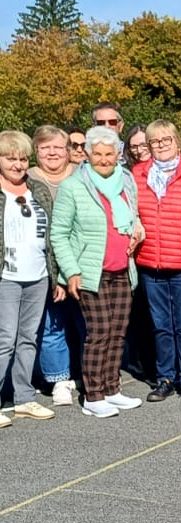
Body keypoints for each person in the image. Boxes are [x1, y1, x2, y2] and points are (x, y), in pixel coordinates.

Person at [49, 126, 145, 418]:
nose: (104, 159)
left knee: (118, 332)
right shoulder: (73, 186)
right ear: (87, 155)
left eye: (109, 154)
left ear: (118, 154)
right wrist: (71, 271)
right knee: (99, 332)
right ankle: (93, 395)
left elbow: (133, 216)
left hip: (122, 268)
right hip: (91, 271)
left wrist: (137, 230)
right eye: (98, 154)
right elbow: (59, 233)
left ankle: (112, 388)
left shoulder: (126, 180)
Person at [132, 120, 181, 404]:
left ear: (178, 142)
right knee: (161, 324)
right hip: (150, 262)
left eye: (166, 140)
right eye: (155, 141)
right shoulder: (137, 175)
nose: (161, 145)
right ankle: (165, 377)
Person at [0, 130, 58, 426]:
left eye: (23, 158)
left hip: (38, 275)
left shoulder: (38, 188)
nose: (18, 164)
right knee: (4, 339)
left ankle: (23, 397)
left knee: (28, 338)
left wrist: (56, 276)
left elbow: (52, 234)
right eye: (11, 158)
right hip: (6, 276)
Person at [29, 125, 81, 406]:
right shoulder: (26, 180)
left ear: (68, 151)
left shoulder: (83, 177)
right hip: (44, 265)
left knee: (88, 325)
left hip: (83, 263)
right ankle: (58, 378)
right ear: (36, 151)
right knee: (52, 324)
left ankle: (89, 375)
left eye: (58, 147)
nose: (52, 152)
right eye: (44, 147)